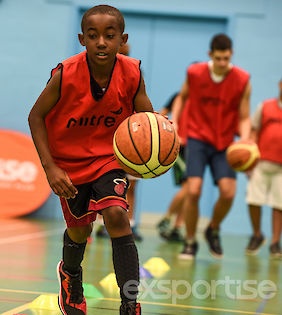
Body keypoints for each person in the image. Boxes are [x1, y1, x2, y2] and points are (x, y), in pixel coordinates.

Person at [28, 5, 154, 315]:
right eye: (94, 36)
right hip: (68, 165)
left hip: (108, 159)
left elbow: (147, 120)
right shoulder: (65, 73)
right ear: (82, 39)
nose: (101, 42)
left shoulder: (132, 72)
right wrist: (50, 168)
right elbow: (36, 117)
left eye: (109, 36)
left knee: (116, 215)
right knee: (80, 231)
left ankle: (129, 304)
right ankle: (70, 274)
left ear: (122, 39)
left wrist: (160, 144)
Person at [172, 33, 251, 259]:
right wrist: (175, 122)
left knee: (228, 193)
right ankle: (189, 242)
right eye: (219, 59)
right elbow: (181, 98)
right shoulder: (195, 73)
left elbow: (244, 116)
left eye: (226, 58)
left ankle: (213, 228)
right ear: (210, 56)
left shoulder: (242, 79)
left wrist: (245, 139)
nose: (223, 63)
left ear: (231, 55)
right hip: (197, 138)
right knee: (193, 190)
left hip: (224, 142)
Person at [95, 43, 143, 242]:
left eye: (127, 54)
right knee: (100, 184)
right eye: (121, 54)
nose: (124, 58)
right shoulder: (97, 75)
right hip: (104, 139)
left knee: (132, 185)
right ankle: (100, 224)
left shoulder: (135, 74)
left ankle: (130, 225)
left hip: (129, 136)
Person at [245, 78, 282, 258]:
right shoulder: (265, 106)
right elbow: (253, 131)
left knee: (279, 205)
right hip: (261, 162)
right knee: (253, 200)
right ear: (280, 85)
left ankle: (275, 242)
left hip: (281, 168)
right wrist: (248, 160)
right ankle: (257, 234)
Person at [157, 92, 187, 242]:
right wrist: (171, 133)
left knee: (191, 192)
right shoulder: (178, 97)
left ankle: (177, 227)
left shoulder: (206, 101)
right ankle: (167, 218)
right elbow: (161, 115)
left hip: (197, 148)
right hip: (180, 149)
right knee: (188, 187)